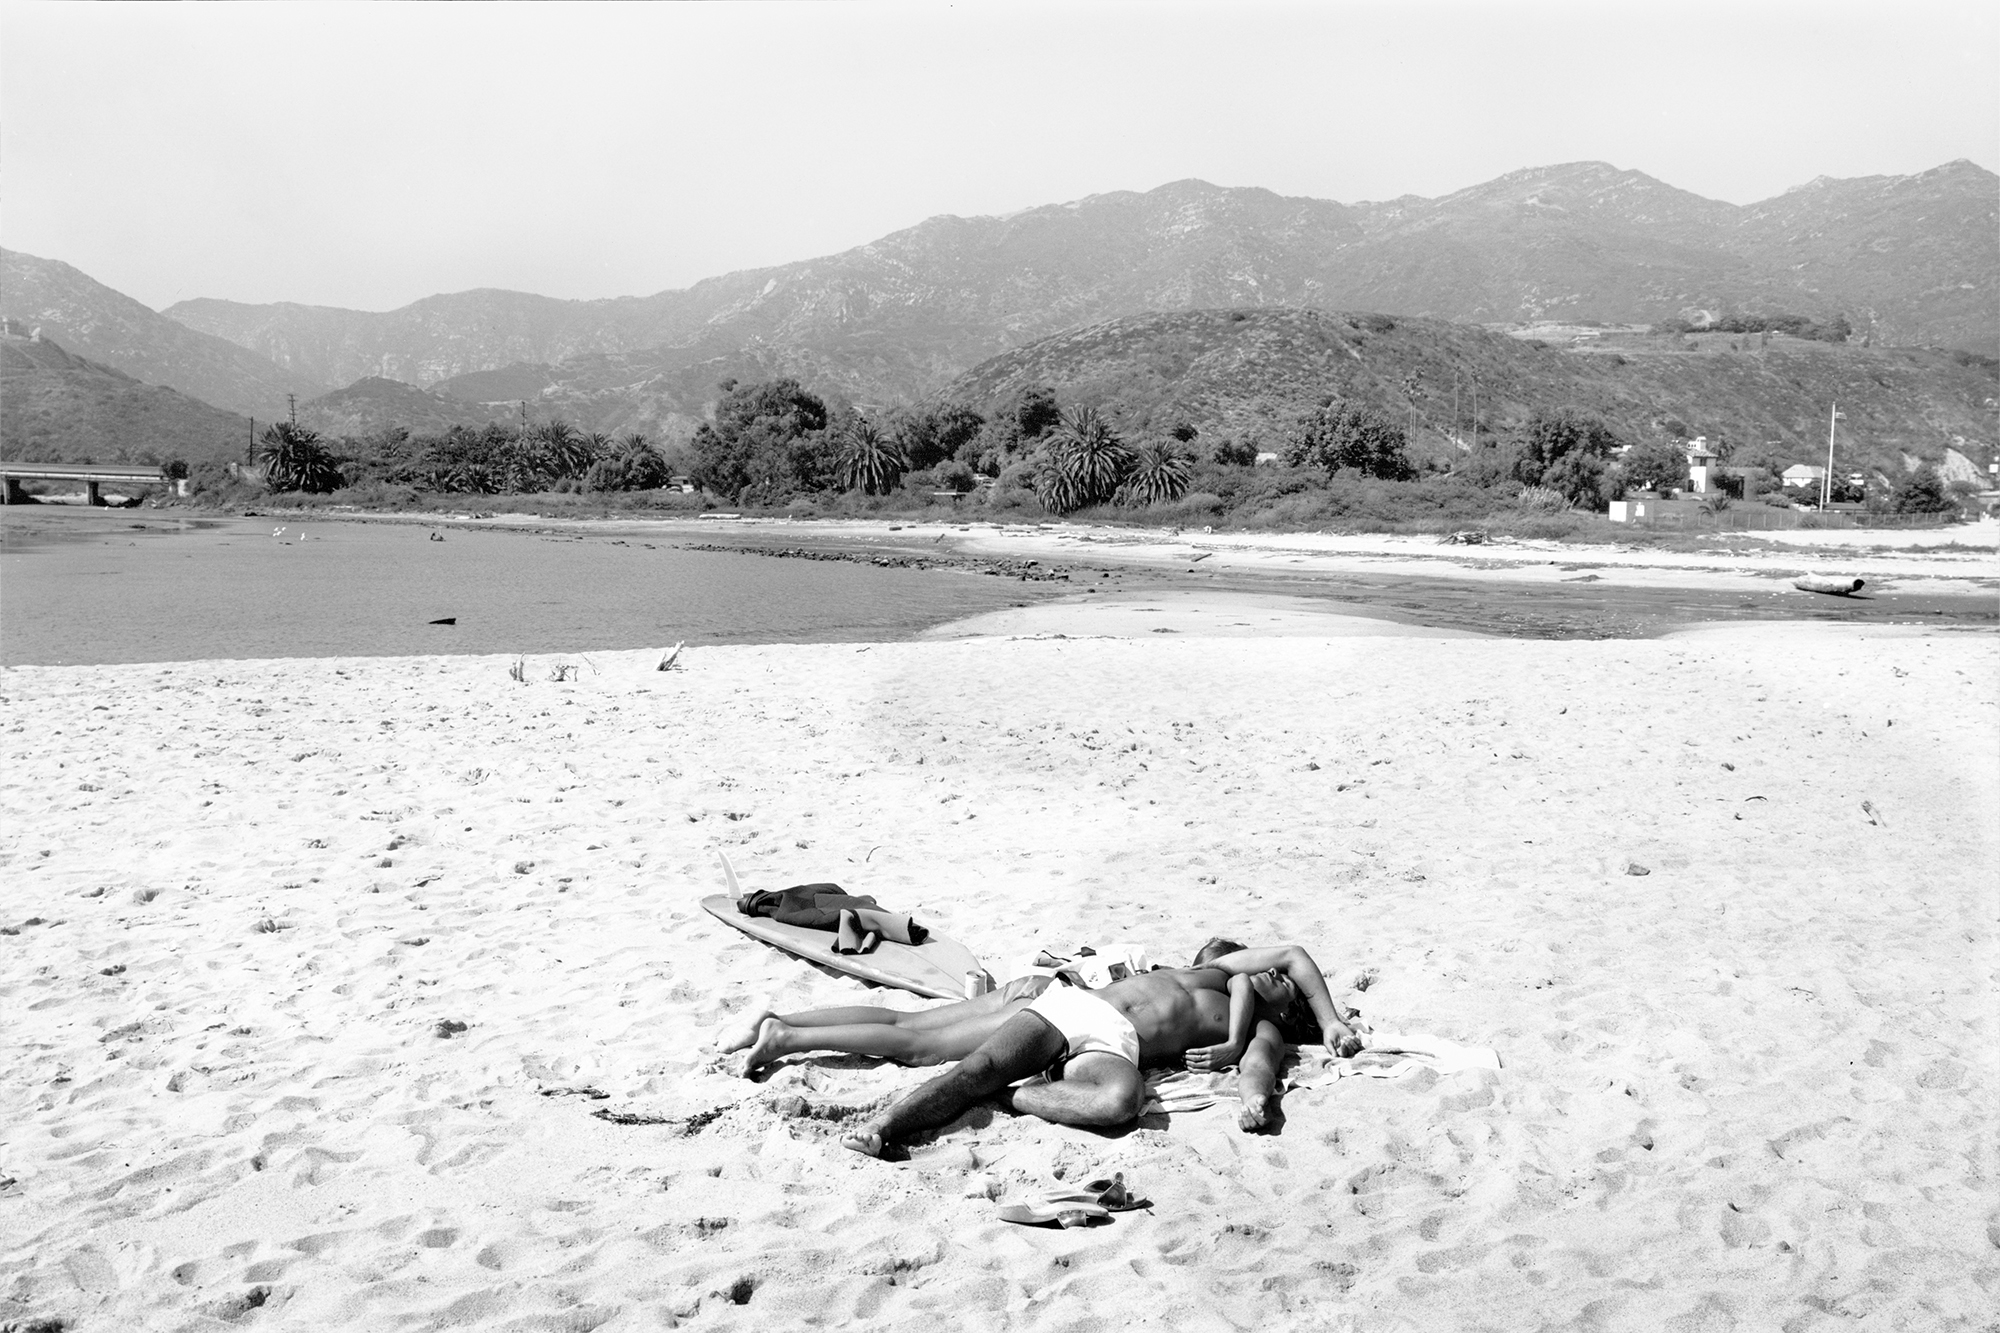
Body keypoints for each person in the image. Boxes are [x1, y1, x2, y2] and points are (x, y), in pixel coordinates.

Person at [723, 938, 1361, 1152]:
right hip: (1072, 1003)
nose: (1280, 977)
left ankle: (783, 1031)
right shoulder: (1223, 974)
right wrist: (1332, 1020)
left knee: (1118, 1101)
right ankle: (795, 1038)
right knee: (915, 1039)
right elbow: (1285, 958)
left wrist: (1252, 1091)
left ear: (1289, 1011)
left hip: (1106, 1041)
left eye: (1290, 988)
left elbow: (1258, 1067)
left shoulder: (1263, 1027)